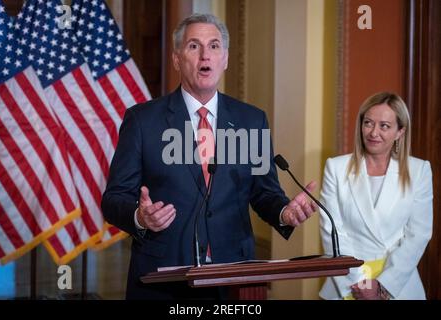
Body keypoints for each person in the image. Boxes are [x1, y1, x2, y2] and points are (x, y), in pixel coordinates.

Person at [101, 13, 318, 300]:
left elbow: (264, 192)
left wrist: (284, 212)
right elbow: (114, 198)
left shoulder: (250, 120)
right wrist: (140, 217)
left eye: (214, 46)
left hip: (232, 276)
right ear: (177, 59)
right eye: (194, 46)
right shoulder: (143, 120)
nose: (206, 54)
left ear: (225, 59)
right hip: (162, 276)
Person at [319, 92, 433, 300]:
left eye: (384, 126)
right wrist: (357, 283)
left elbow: (419, 235)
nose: (373, 132)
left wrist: (382, 286)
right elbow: (332, 233)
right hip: (347, 284)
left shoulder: (419, 171)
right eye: (368, 123)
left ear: (400, 132)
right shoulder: (336, 168)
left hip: (399, 287)